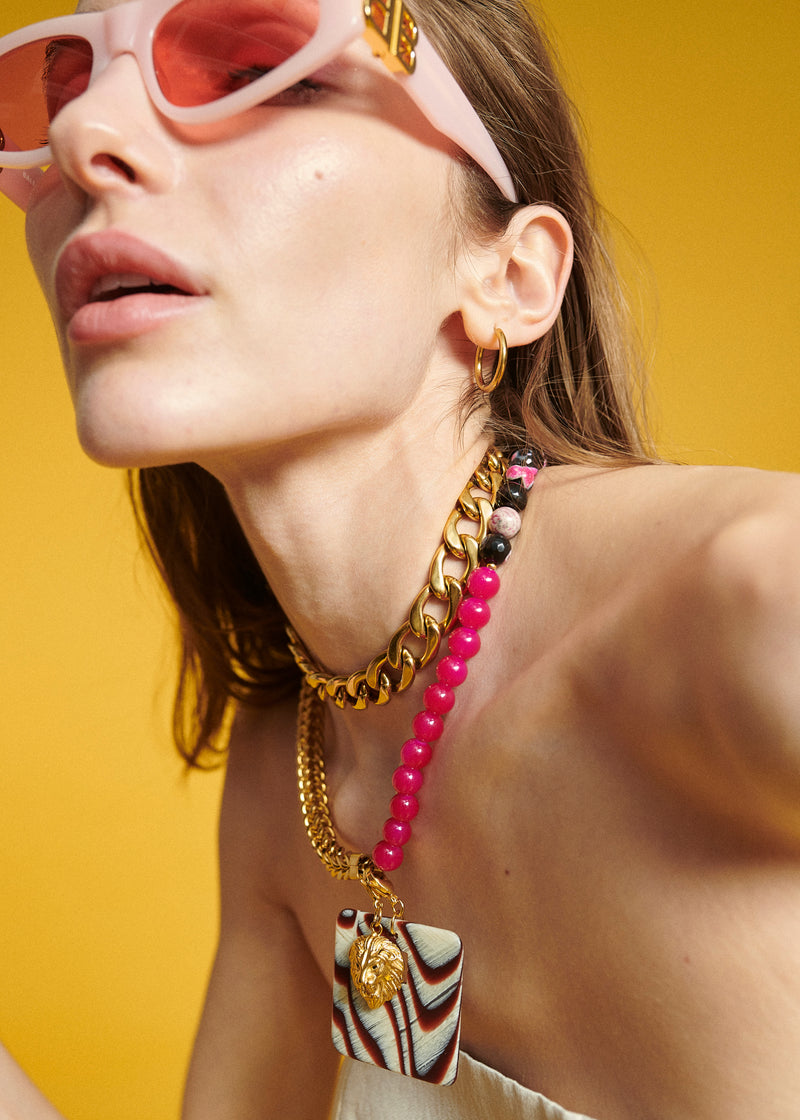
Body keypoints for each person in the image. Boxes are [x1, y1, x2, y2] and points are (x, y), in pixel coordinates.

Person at [1, 0, 799, 1118]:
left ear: (510, 277)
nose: (87, 134)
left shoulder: (753, 603)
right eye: (61, 84)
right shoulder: (297, 768)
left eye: (264, 70)